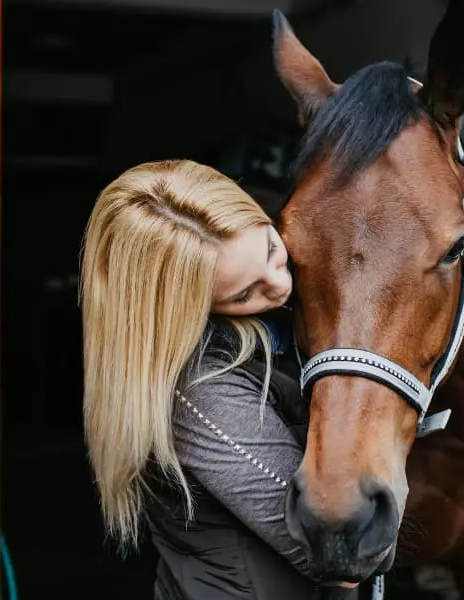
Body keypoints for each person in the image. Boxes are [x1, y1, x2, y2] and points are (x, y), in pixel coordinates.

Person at [78, 159, 361, 599]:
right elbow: (340, 555)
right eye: (244, 294)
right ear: (188, 311)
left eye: (271, 249)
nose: (280, 285)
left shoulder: (274, 319)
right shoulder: (202, 392)